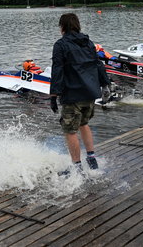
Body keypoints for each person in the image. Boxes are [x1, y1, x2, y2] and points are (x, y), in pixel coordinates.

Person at [50, 13, 111, 172]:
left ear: (62, 27)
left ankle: (76, 167)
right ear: (77, 25)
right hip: (90, 92)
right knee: (84, 123)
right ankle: (91, 159)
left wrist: (53, 95)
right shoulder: (88, 42)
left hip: (72, 94)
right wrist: (105, 84)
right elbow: (98, 65)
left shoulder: (60, 45)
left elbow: (57, 71)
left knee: (70, 130)